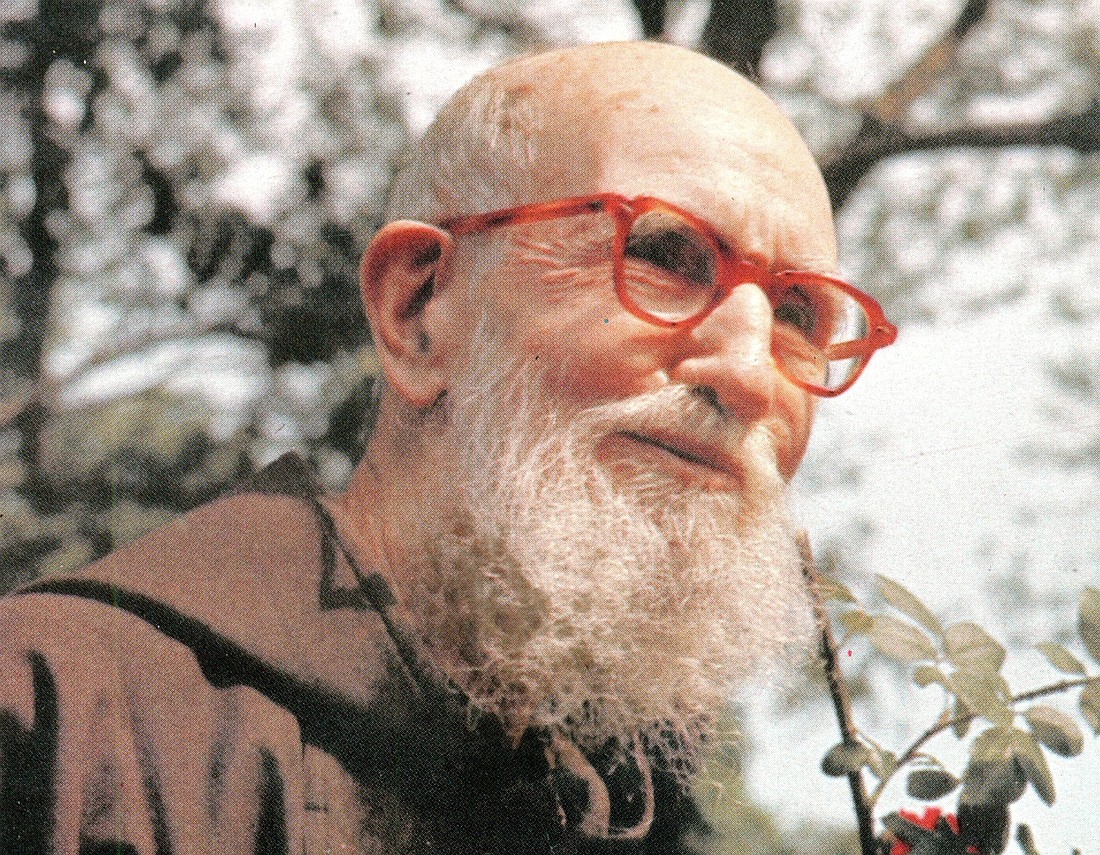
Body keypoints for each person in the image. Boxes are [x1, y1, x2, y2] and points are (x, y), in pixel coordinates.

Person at [0, 40, 896, 854]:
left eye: (797, 314)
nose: (749, 374)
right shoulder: (58, 722)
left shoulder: (603, 814)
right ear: (418, 309)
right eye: (665, 254)